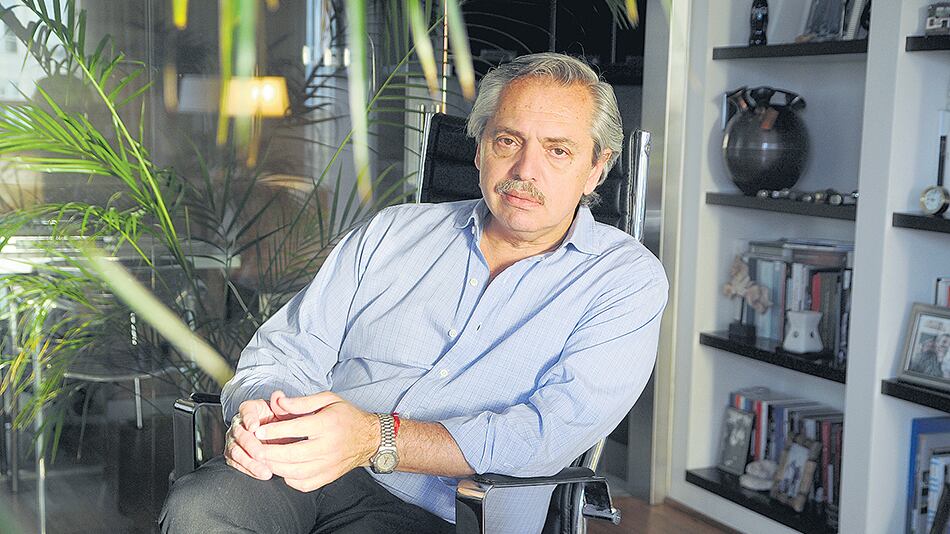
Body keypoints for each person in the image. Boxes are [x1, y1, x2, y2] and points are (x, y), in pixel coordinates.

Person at [160, 52, 668, 534]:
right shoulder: (392, 231)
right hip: (307, 466)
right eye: (508, 141)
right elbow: (284, 352)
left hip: (454, 510)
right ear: (479, 148)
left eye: (557, 151)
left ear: (596, 168)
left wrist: (376, 438)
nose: (525, 170)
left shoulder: (626, 282)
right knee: (203, 507)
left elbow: (545, 434)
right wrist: (265, 415)